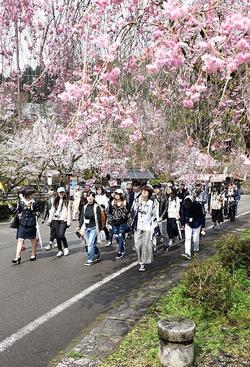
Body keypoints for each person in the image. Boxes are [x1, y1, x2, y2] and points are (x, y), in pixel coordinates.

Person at [11, 186, 40, 264]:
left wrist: (36, 213)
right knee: (20, 239)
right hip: (22, 223)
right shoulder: (21, 202)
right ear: (28, 194)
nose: (34, 195)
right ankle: (17, 256)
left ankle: (33, 253)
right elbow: (18, 211)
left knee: (33, 239)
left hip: (31, 223)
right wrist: (12, 209)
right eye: (32, 194)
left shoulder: (35, 202)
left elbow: (38, 212)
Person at [132, 184, 157, 271]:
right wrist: (136, 207)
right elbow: (132, 213)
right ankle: (141, 259)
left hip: (147, 228)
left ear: (149, 194)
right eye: (143, 191)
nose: (144, 193)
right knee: (137, 245)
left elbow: (155, 216)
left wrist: (153, 227)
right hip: (138, 226)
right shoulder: (136, 201)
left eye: (146, 191)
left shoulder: (152, 203)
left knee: (145, 246)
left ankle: (142, 263)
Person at [80, 191, 102, 266]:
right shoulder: (85, 207)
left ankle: (90, 259)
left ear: (94, 198)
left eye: (92, 196)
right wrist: (79, 227)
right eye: (89, 196)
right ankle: (97, 252)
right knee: (90, 244)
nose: (90, 198)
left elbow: (98, 220)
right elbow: (82, 218)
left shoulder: (96, 207)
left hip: (94, 228)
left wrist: (99, 230)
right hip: (86, 228)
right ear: (86, 197)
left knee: (90, 244)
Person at [48, 187, 71, 257]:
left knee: (61, 234)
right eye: (60, 192)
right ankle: (60, 250)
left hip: (63, 219)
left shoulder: (67, 201)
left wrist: (69, 220)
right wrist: (49, 219)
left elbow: (69, 211)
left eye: (62, 192)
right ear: (58, 193)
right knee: (57, 236)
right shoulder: (56, 200)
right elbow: (52, 210)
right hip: (55, 219)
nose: (61, 194)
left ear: (64, 193)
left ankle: (66, 247)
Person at [181, 195, 204, 260]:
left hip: (197, 223)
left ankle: (196, 249)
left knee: (195, 239)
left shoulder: (198, 205)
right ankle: (187, 253)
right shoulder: (184, 205)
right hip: (188, 223)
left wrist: (203, 227)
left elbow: (202, 216)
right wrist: (182, 224)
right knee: (187, 238)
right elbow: (183, 214)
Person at [107, 188, 128, 259]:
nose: (117, 196)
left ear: (121, 195)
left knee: (120, 235)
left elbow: (128, 212)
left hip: (123, 222)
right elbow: (109, 212)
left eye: (118, 194)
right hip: (114, 222)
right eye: (116, 194)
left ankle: (120, 251)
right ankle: (121, 246)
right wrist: (110, 201)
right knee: (116, 236)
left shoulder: (125, 202)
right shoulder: (112, 202)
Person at [153, 183, 169, 249]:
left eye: (157, 188)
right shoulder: (153, 197)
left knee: (163, 233)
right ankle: (154, 247)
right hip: (154, 218)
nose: (156, 190)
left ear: (160, 189)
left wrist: (162, 216)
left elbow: (166, 208)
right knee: (153, 233)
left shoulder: (164, 197)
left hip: (162, 218)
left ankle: (166, 244)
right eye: (155, 188)